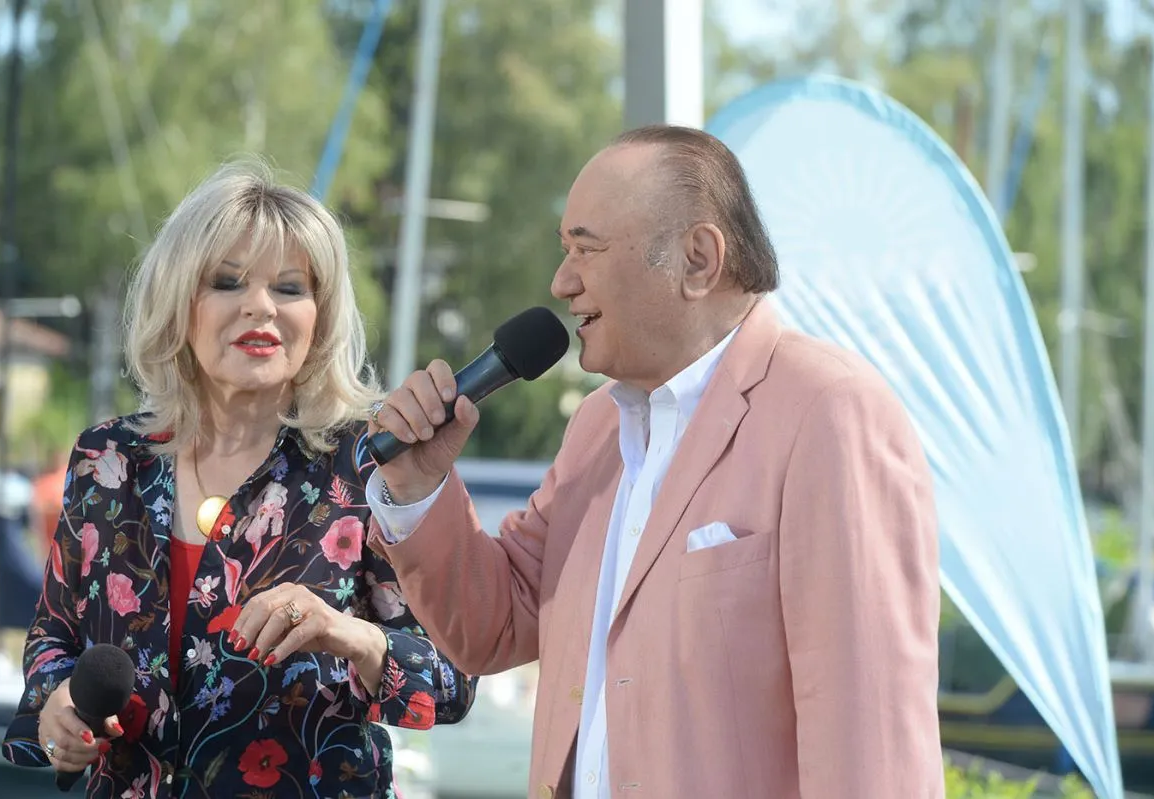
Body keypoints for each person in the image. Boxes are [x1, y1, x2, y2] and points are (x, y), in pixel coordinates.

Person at [364, 125, 944, 798]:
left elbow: (870, 745)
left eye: (587, 248)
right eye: (564, 250)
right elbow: (495, 626)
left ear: (698, 259)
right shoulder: (597, 426)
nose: (562, 281)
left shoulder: (830, 413)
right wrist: (421, 485)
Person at [1, 160, 476, 798]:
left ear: (321, 315)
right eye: (227, 282)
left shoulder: (373, 464)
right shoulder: (106, 459)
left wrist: (349, 635)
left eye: (289, 288)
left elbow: (452, 679)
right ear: (179, 303)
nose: (260, 306)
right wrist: (57, 710)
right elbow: (53, 639)